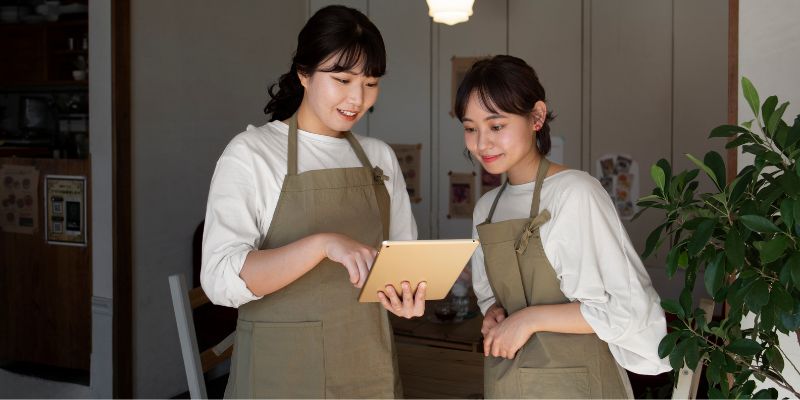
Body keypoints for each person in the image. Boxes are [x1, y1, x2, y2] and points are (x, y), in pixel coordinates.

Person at [200, 5, 425, 398]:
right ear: (303, 73)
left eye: (371, 83)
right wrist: (322, 244)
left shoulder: (379, 157)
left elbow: (402, 262)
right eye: (342, 79)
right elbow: (219, 280)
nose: (358, 98)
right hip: (281, 375)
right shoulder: (252, 153)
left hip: (367, 366)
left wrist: (407, 296)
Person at [456, 55, 671, 398]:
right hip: (508, 384)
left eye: (496, 126)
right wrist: (494, 313)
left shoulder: (575, 192)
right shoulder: (486, 208)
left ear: (536, 117)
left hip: (580, 386)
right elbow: (490, 297)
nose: (482, 144)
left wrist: (528, 319)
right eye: (470, 128)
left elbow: (626, 310)